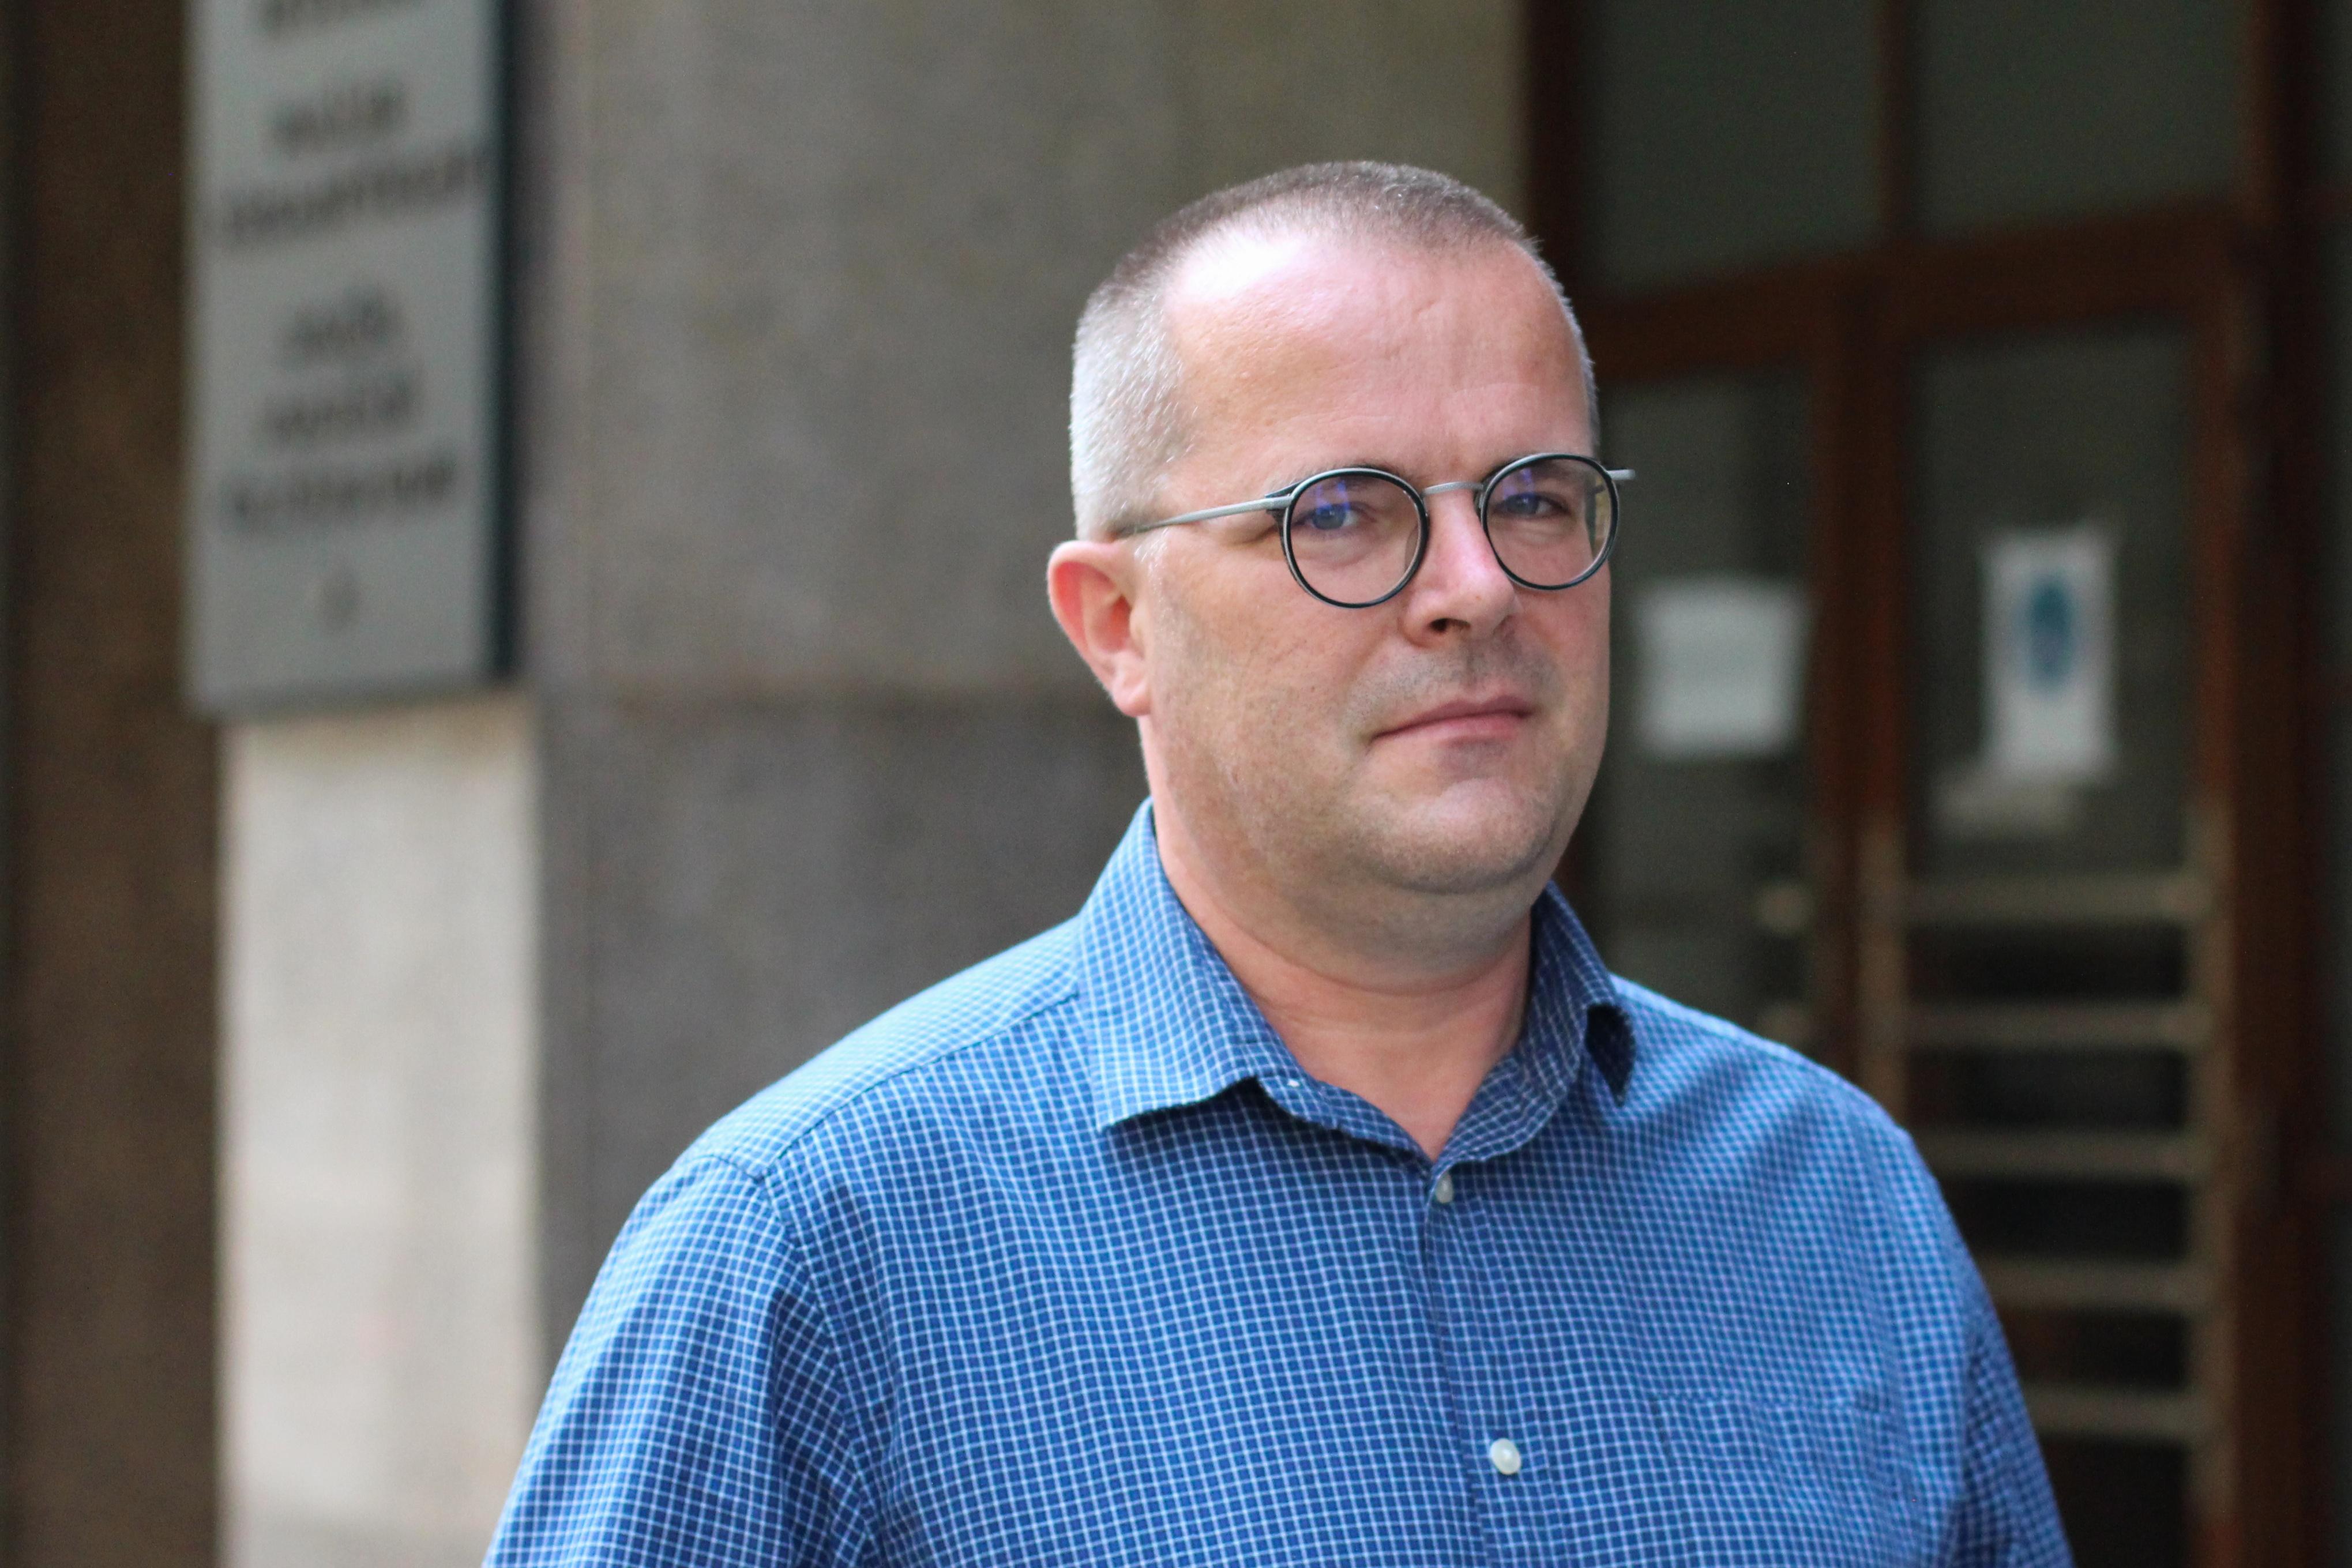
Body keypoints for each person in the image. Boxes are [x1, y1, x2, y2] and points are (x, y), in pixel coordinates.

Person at [486, 162, 2069, 1566]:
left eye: (1534, 497)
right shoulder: (810, 1255)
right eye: (1345, 514)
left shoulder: (1832, 1196)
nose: (1476, 586)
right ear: (1120, 626)